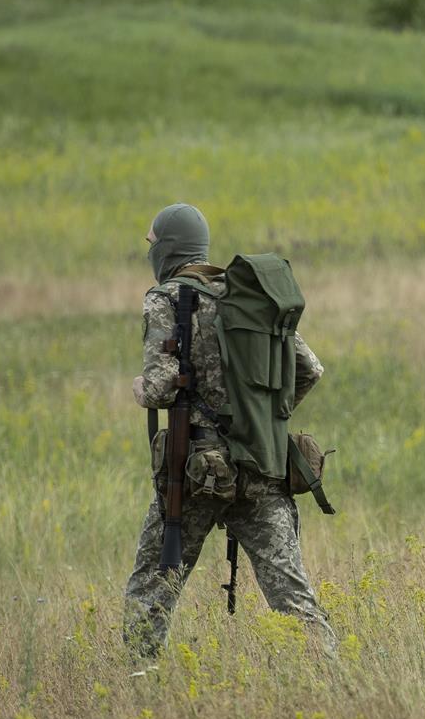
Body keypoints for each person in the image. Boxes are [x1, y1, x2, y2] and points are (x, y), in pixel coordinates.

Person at [123, 203, 337, 659]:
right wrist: (264, 419)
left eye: (153, 242)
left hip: (196, 474)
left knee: (152, 591)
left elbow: (161, 388)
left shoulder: (166, 298)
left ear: (168, 248)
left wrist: (140, 389)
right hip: (261, 467)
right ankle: (331, 678)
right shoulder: (250, 296)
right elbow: (310, 369)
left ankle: (136, 683)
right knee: (294, 599)